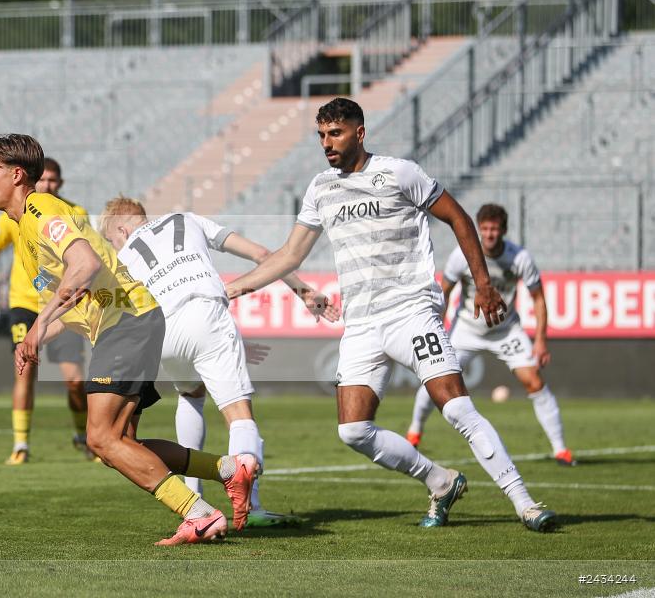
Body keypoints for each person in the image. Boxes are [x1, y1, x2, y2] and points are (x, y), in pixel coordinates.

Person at [224, 98, 557, 532]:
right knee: (353, 431)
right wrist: (233, 288)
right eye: (321, 135)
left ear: (359, 133)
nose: (327, 143)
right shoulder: (321, 188)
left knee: (456, 408)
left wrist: (485, 283)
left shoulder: (400, 172)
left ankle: (525, 503)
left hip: (411, 310)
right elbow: (289, 254)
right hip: (361, 322)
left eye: (336, 133)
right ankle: (440, 481)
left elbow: (458, 217)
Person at [0, 133, 257, 545]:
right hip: (131, 321)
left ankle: (198, 514)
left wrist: (37, 328)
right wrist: (35, 339)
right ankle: (228, 469)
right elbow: (77, 301)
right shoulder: (22, 231)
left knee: (101, 439)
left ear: (17, 175)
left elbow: (85, 265)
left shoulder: (41, 208)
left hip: (126, 323)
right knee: (123, 442)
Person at [99, 197, 339, 527]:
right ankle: (252, 508)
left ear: (122, 231)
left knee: (191, 395)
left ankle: (194, 500)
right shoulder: (186, 217)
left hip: (161, 334)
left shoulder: (122, 256)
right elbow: (263, 255)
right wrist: (303, 291)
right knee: (238, 413)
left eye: (112, 240)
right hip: (206, 316)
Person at [406, 203, 576, 466]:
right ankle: (414, 431)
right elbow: (445, 292)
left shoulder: (519, 258)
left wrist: (541, 340)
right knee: (436, 379)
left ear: (503, 230)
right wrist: (436, 327)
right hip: (466, 329)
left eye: (494, 229)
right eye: (484, 229)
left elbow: (538, 299)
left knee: (534, 381)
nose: (489, 234)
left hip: (506, 330)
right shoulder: (462, 255)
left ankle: (561, 450)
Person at [0, 156, 91, 465]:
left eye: (54, 181)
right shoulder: (13, 215)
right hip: (25, 303)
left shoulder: (72, 213)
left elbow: (85, 260)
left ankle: (84, 437)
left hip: (63, 307)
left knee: (75, 380)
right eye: (45, 180)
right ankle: (21, 444)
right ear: (34, 181)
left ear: (61, 184)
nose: (48, 185)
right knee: (24, 371)